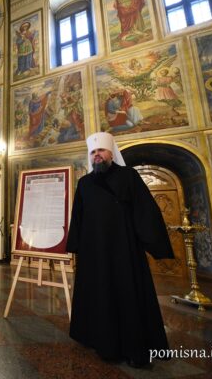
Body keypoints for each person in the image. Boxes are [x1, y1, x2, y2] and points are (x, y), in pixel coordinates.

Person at [66, 132, 174, 368]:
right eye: (93, 152)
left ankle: (132, 346)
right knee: (99, 294)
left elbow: (145, 210)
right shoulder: (84, 183)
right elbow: (78, 217)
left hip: (124, 249)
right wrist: (74, 245)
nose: (97, 155)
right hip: (94, 251)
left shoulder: (128, 176)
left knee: (127, 294)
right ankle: (98, 339)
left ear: (111, 153)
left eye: (101, 151)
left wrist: (153, 242)